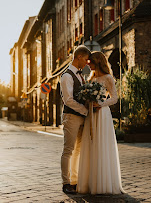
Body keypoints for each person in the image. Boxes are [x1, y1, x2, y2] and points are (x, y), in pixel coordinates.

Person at [77, 51, 124, 194]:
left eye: (90, 62)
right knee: (90, 145)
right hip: (91, 115)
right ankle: (89, 183)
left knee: (101, 145)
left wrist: (101, 104)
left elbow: (114, 98)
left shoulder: (108, 78)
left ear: (97, 62)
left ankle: (103, 183)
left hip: (102, 114)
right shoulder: (90, 79)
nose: (88, 65)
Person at [60, 45, 91, 194]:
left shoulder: (80, 75)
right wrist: (85, 110)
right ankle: (66, 183)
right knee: (68, 150)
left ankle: (74, 181)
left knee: (78, 151)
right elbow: (68, 100)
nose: (86, 63)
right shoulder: (67, 76)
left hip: (81, 117)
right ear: (79, 57)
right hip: (71, 117)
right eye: (85, 59)